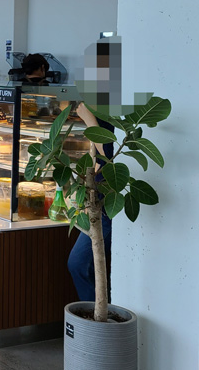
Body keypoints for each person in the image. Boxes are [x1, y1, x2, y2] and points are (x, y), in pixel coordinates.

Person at [68, 102, 113, 302]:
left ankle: (99, 315)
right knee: (88, 265)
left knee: (78, 263)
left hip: (110, 201)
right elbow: (100, 158)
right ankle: (101, 310)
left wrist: (89, 120)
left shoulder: (117, 106)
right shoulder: (102, 104)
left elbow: (111, 155)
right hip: (98, 198)